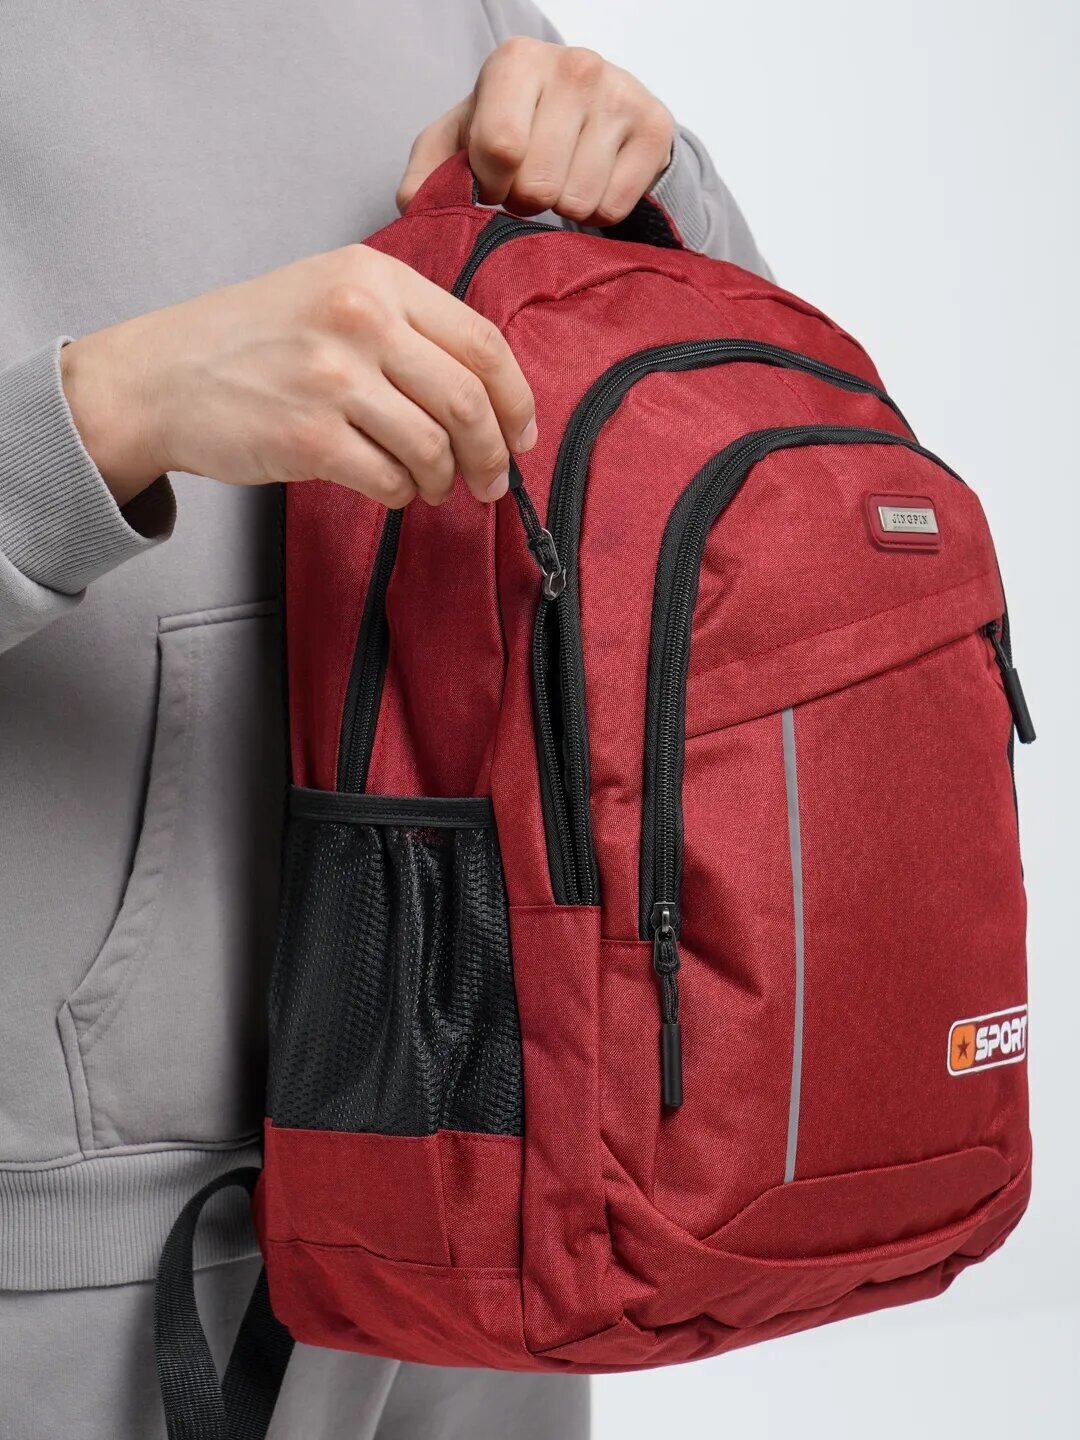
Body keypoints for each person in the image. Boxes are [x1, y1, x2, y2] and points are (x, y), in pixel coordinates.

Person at [0, 3, 767, 1435]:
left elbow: (751, 463)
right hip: (73, 1262)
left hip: (505, 1173)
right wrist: (108, 411)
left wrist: (665, 191)